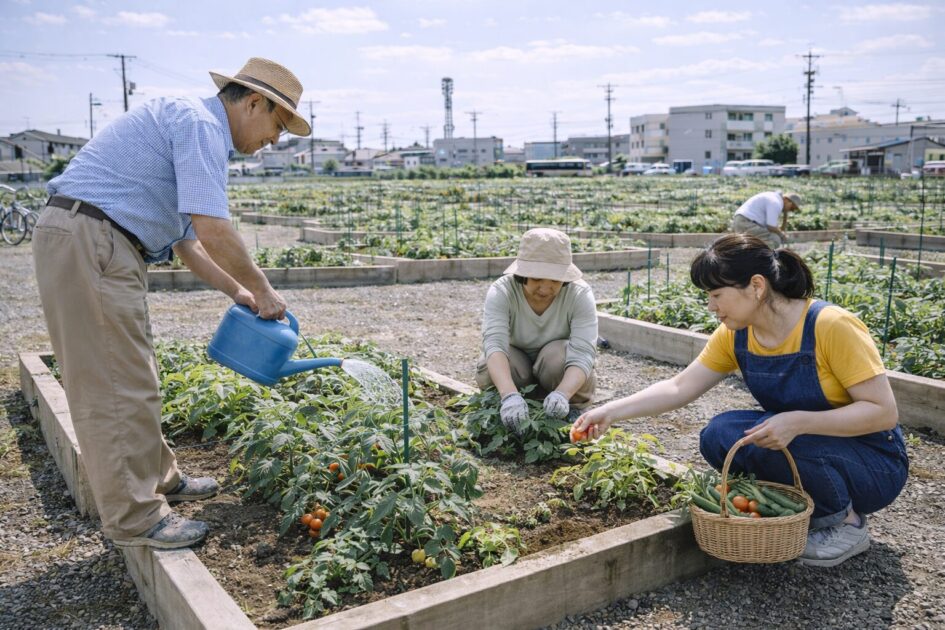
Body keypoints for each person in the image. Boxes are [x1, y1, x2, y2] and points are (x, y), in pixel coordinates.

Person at [32, 57, 311, 549]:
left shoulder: (192, 123)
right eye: (277, 126)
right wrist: (266, 290)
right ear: (253, 103)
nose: (274, 140)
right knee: (112, 386)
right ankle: (137, 519)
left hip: (96, 239)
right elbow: (213, 227)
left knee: (133, 375)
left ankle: (162, 481)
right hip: (92, 239)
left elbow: (189, 243)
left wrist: (239, 292)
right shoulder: (201, 125)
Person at [573, 234, 908, 567]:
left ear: (757, 286)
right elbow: (679, 387)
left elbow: (883, 412)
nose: (711, 306)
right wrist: (608, 412)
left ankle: (847, 522)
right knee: (721, 433)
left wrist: (798, 422)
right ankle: (794, 509)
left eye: (717, 294)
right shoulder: (736, 334)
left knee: (787, 440)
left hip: (872, 461)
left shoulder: (830, 325)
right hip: (806, 442)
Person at [476, 228, 598, 433]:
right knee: (490, 367)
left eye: (555, 280)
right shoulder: (502, 291)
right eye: (536, 279)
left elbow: (584, 352)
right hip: (518, 367)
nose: (545, 288)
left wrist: (563, 394)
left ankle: (572, 409)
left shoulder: (579, 294)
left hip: (555, 369)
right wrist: (509, 395)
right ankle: (511, 405)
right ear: (522, 275)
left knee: (559, 355)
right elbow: (494, 344)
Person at [731, 190, 801, 249]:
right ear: (786, 200)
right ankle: (760, 259)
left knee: (769, 237)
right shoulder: (775, 202)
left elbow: (774, 227)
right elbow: (771, 227)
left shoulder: (774, 198)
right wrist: (782, 235)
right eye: (792, 208)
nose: (791, 210)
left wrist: (785, 214)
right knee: (774, 239)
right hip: (746, 222)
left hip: (743, 221)